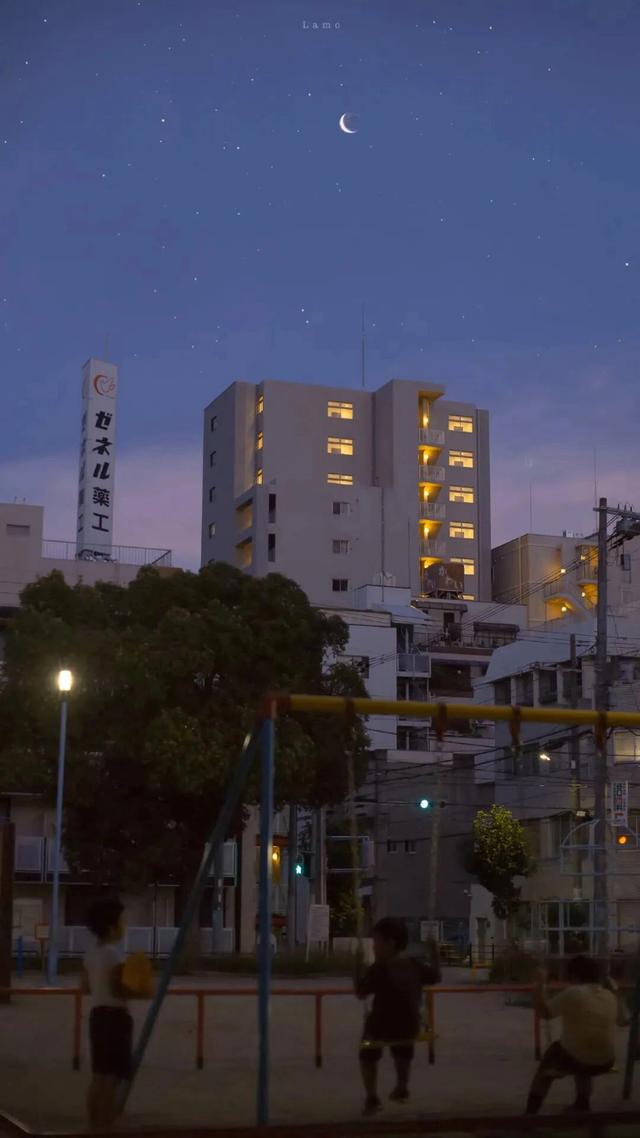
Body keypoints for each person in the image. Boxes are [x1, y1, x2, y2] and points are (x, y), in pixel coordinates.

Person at [355, 917, 441, 1116]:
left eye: (376, 942)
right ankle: (402, 1086)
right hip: (409, 1028)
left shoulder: (380, 968)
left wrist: (357, 966)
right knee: (404, 1038)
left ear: (390, 943)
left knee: (367, 1051)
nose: (374, 947)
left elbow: (360, 993)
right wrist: (434, 952)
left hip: (383, 1028)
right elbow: (436, 976)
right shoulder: (414, 964)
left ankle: (372, 1098)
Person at [525, 954, 617, 1115]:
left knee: (547, 1070)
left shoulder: (574, 992)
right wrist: (615, 991)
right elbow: (624, 1021)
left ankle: (530, 1114)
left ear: (574, 975)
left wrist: (540, 984)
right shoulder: (610, 995)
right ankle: (582, 1105)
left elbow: (544, 1012)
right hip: (606, 1059)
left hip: (578, 1056)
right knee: (583, 1060)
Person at [82, 899, 134, 1130]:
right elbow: (120, 989)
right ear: (112, 927)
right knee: (112, 1079)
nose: (125, 926)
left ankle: (93, 1125)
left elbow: (85, 987)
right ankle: (105, 1126)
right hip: (115, 1017)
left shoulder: (91, 955)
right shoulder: (115, 955)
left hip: (97, 1014)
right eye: (123, 921)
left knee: (99, 1076)